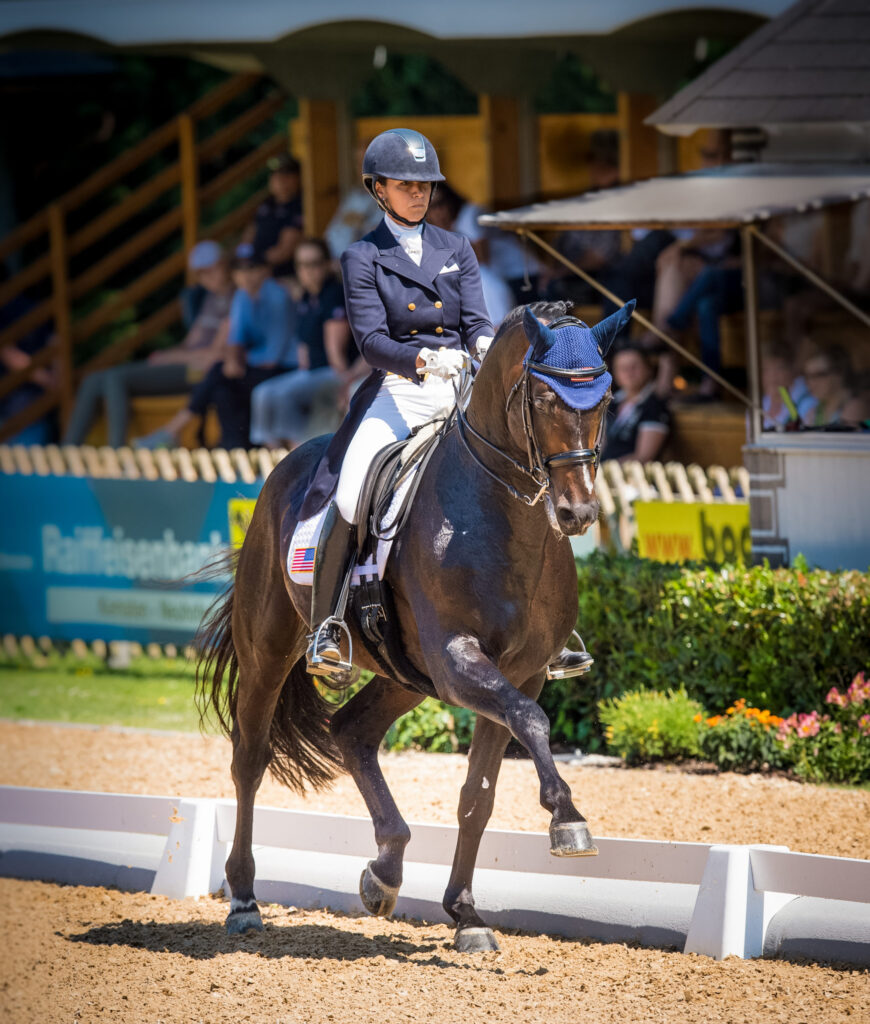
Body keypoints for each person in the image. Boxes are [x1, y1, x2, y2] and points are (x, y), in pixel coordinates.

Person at [299, 128, 588, 683]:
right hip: (400, 391)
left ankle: (553, 626)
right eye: (406, 185)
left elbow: (477, 323)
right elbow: (370, 341)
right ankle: (328, 626)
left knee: (530, 472)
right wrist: (426, 361)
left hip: (463, 393)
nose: (419, 194)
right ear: (378, 189)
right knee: (356, 486)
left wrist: (483, 346)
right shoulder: (363, 255)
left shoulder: (456, 248)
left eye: (425, 185)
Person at [63, 240, 233, 447]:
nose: (209, 276)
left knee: (116, 378)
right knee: (92, 380)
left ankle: (116, 450)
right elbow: (190, 343)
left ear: (225, 264)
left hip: (197, 371)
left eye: (213, 268)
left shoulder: (236, 299)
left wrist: (170, 357)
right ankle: (68, 449)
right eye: (202, 272)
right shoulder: (210, 299)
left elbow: (214, 355)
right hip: (185, 362)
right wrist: (167, 355)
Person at [136, 244, 298, 449]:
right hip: (259, 366)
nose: (246, 276)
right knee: (222, 387)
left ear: (265, 270)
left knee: (218, 373)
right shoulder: (242, 296)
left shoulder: (278, 296)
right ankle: (234, 449)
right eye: (239, 270)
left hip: (285, 367)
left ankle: (173, 431)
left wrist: (237, 363)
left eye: (252, 269)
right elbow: (235, 339)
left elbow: (272, 358)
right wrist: (232, 360)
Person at [249, 237, 366, 448]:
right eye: (302, 265)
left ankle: (299, 450)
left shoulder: (334, 294)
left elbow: (335, 351)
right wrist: (300, 374)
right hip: (311, 371)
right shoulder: (306, 296)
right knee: (262, 393)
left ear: (327, 264)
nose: (308, 270)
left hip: (332, 370)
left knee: (284, 395)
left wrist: (344, 381)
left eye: (314, 263)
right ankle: (271, 453)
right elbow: (304, 345)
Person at [601, 344, 671, 463]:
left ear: (648, 369)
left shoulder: (654, 406)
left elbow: (643, 457)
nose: (629, 373)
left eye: (634, 367)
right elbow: (599, 446)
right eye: (622, 368)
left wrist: (602, 471)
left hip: (630, 476)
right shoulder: (612, 402)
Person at [243, 153, 304, 281]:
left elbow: (284, 251)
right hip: (255, 270)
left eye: (286, 175)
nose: (279, 179)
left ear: (297, 178)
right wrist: (243, 257)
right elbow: (249, 234)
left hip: (282, 276)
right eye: (275, 174)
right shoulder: (267, 204)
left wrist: (255, 264)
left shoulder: (299, 206)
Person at [801, 346, 868, 429]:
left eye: (819, 375)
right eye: (807, 377)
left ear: (838, 374)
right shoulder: (815, 411)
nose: (811, 383)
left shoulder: (854, 407)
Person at [760, 340, 817, 430]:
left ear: (791, 370)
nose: (772, 376)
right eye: (766, 369)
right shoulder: (759, 404)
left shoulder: (807, 403)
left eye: (779, 368)